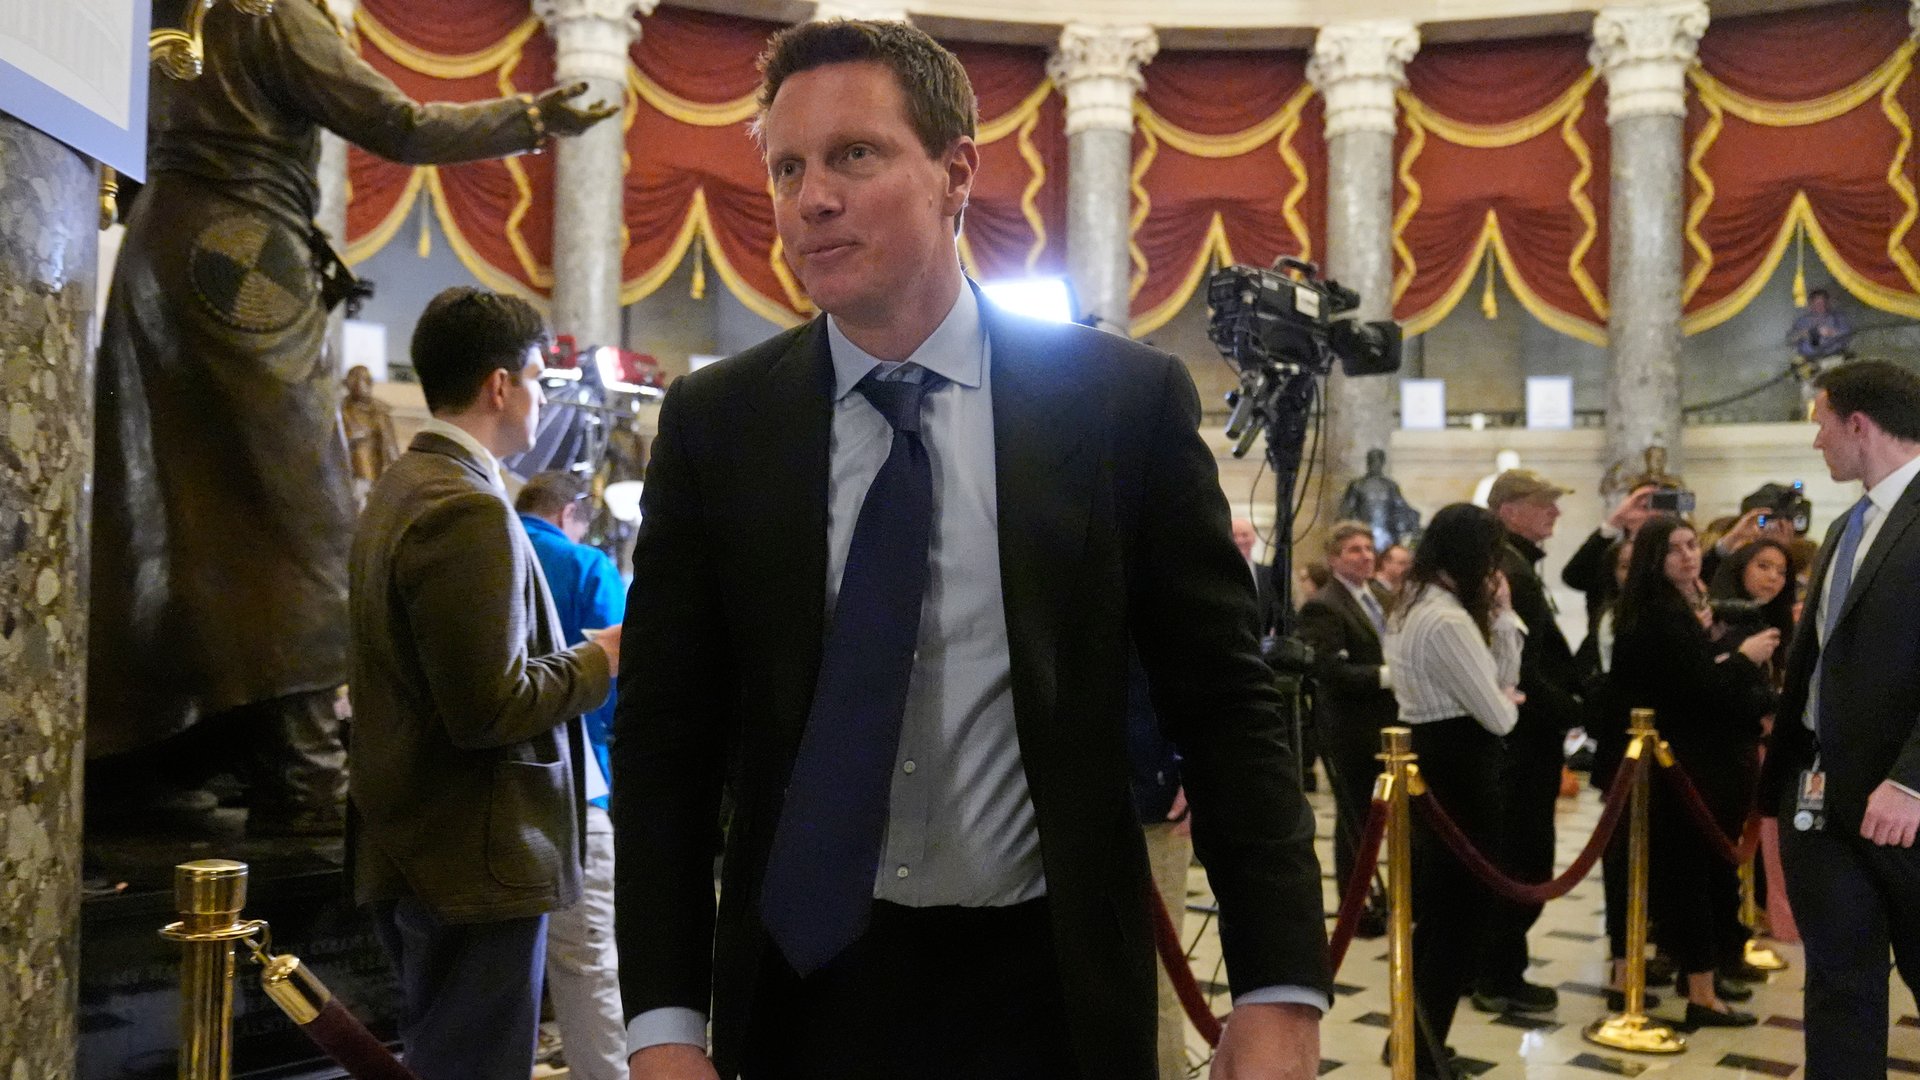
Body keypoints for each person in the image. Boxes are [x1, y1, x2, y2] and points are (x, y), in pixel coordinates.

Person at [611, 20, 1329, 1080]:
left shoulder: (1117, 404)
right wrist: (663, 1028)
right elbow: (665, 746)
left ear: (956, 173)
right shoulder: (720, 425)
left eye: (855, 154)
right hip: (805, 991)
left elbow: (1223, 704)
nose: (813, 198)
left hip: (1049, 989)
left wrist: (1278, 990)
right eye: (787, 167)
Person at [87, 0, 616, 836]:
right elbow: (395, 122)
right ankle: (300, 770)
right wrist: (529, 115)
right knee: (293, 511)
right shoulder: (262, 12)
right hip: (240, 256)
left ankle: (161, 752)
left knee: (172, 514)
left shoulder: (162, 14)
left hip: (161, 262)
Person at [347, 288, 621, 1080]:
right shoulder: (463, 507)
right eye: (538, 377)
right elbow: (489, 706)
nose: (541, 398)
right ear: (500, 385)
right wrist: (603, 656)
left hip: (431, 843)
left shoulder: (406, 486)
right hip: (475, 857)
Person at [1763, 360, 1920, 1078]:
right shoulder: (1845, 525)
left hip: (1906, 810)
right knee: (1837, 989)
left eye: (1820, 424)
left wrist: (1913, 782)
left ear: (1858, 423)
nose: (1816, 441)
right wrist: (1783, 793)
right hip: (1823, 809)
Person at [1609, 515, 1777, 1029]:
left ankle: (1698, 979)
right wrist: (1743, 658)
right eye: (1675, 549)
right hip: (1678, 762)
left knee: (1702, 875)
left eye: (1691, 544)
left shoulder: (1681, 607)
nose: (1689, 555)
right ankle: (1699, 991)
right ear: (1653, 560)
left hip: (1697, 758)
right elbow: (1694, 689)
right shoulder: (1657, 613)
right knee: (1688, 877)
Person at [1382, 503, 1524, 1080]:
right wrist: (1506, 636)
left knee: (1443, 918)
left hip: (1438, 758)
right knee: (1456, 920)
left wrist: (1504, 618)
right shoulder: (1444, 618)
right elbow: (1500, 713)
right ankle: (1420, 1051)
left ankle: (1417, 1042)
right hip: (1461, 768)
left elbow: (1501, 683)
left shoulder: (1414, 603)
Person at [516, 471, 630, 1080]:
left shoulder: (492, 547)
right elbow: (619, 672)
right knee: (586, 963)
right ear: (570, 513)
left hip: (487, 799)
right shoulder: (585, 566)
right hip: (575, 789)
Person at [1477, 470, 1585, 1014]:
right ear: (1508, 510)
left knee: (1522, 857)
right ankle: (1498, 973)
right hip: (1519, 743)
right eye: (1545, 504)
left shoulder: (1519, 565)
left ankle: (1496, 967)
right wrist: (1572, 710)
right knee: (1520, 860)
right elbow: (1520, 666)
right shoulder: (1507, 570)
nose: (1556, 514)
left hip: (1527, 738)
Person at [1298, 522, 1397, 940]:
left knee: (1383, 818)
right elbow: (1329, 671)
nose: (1365, 556)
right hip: (1351, 727)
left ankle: (1386, 897)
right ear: (1335, 559)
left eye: (1369, 548)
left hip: (1388, 723)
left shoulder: (1380, 595)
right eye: (1354, 550)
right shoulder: (1324, 605)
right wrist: (1388, 676)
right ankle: (1356, 907)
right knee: (1356, 818)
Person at [1336, 447, 1422, 553]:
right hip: (1364, 533)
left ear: (1382, 463)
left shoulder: (1390, 486)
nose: (1374, 465)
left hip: (1387, 536)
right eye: (1372, 461)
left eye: (1377, 461)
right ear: (1368, 463)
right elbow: (1346, 510)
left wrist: (1414, 517)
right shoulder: (1357, 485)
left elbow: (1401, 507)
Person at [343, 364, 400, 502]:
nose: (358, 384)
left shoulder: (380, 411)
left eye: (363, 379)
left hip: (378, 477)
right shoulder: (341, 411)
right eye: (353, 379)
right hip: (352, 477)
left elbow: (391, 447)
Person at [1233, 516, 1280, 636]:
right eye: (1234, 536)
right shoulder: (1219, 574)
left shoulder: (1269, 574)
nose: (1239, 540)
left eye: (1244, 535)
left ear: (1254, 538)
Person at [1787, 289, 1854, 363]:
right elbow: (1789, 340)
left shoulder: (1837, 317)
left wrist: (1832, 332)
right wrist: (1802, 334)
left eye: (1823, 302)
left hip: (1836, 355)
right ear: (1810, 305)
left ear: (1827, 303)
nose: (1820, 306)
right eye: (1816, 303)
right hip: (1811, 360)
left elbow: (1848, 333)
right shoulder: (1802, 321)